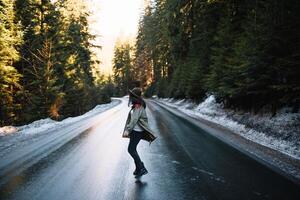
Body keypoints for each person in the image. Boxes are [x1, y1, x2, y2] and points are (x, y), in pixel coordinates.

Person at [123, 87, 156, 177]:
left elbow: (134, 120)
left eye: (131, 95)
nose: (130, 96)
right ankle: (138, 169)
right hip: (136, 131)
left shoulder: (138, 105)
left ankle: (141, 167)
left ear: (134, 96)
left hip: (136, 131)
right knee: (133, 149)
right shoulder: (137, 105)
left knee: (131, 149)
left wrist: (127, 130)